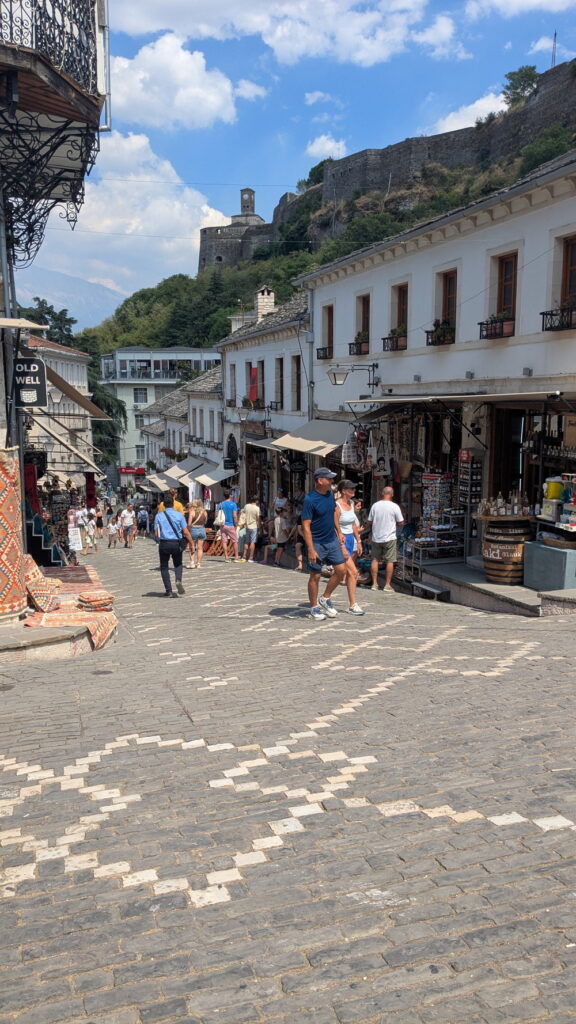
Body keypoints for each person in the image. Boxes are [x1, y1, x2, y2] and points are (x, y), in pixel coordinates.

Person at [301, 467, 347, 621]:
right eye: (329, 478)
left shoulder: (330, 494)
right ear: (320, 481)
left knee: (341, 570)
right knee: (315, 576)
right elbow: (305, 526)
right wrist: (311, 548)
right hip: (317, 543)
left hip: (331, 540)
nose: (332, 481)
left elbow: (333, 513)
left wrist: (339, 531)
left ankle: (325, 598)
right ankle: (314, 607)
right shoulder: (310, 499)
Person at [335, 480, 365, 615]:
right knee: (353, 572)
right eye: (350, 489)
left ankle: (325, 597)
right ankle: (353, 604)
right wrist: (341, 545)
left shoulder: (351, 503)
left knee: (341, 572)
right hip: (340, 540)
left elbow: (353, 524)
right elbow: (335, 527)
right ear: (343, 491)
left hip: (350, 539)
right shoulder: (337, 506)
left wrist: (358, 541)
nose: (353, 491)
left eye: (354, 488)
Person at [155, 494, 192, 597]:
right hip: (176, 543)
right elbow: (185, 532)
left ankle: (168, 590)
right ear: (173, 504)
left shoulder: (159, 516)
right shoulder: (180, 515)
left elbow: (156, 533)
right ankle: (178, 580)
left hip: (164, 543)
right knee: (178, 564)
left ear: (163, 504)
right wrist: (191, 543)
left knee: (164, 566)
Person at [368, 485, 404, 592]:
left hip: (376, 537)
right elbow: (401, 522)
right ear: (392, 495)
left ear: (382, 493)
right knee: (390, 561)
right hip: (390, 537)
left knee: (375, 559)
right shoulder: (395, 506)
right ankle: (387, 585)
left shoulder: (375, 505)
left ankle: (374, 584)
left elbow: (369, 521)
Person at [218, 490, 239, 561]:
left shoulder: (220, 504)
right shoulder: (233, 504)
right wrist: (236, 524)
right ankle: (236, 556)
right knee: (235, 541)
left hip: (223, 525)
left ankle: (226, 557)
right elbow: (235, 516)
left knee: (224, 541)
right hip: (231, 524)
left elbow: (217, 515)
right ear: (230, 495)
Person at [187, 498, 207, 568]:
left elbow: (189, 524)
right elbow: (205, 522)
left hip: (194, 529)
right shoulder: (204, 512)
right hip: (202, 529)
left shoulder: (192, 512)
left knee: (192, 547)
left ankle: (192, 563)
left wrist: (188, 530)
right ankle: (198, 564)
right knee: (200, 548)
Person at [242, 496, 261, 563]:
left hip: (247, 526)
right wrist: (259, 526)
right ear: (256, 501)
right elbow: (258, 518)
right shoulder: (257, 508)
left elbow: (243, 514)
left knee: (246, 541)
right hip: (254, 526)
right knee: (253, 542)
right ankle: (251, 557)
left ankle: (244, 556)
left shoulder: (246, 506)